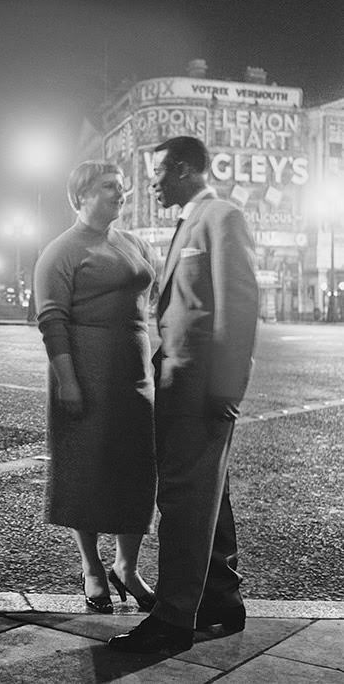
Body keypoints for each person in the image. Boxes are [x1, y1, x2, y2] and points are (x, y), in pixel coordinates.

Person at [109, 135, 258, 654]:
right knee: (208, 500)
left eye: (158, 172)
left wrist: (225, 391)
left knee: (183, 502)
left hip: (201, 390)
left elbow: (238, 307)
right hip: (180, 384)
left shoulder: (222, 217)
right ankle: (220, 601)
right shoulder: (187, 222)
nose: (152, 182)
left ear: (185, 170)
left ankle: (172, 620)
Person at [34, 161, 158, 615]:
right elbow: (51, 319)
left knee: (136, 469)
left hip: (134, 374)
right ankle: (91, 568)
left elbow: (155, 302)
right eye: (109, 187)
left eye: (122, 188)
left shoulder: (134, 243)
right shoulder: (60, 250)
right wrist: (68, 380)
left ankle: (127, 566)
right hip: (84, 373)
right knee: (84, 469)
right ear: (80, 195)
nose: (120, 194)